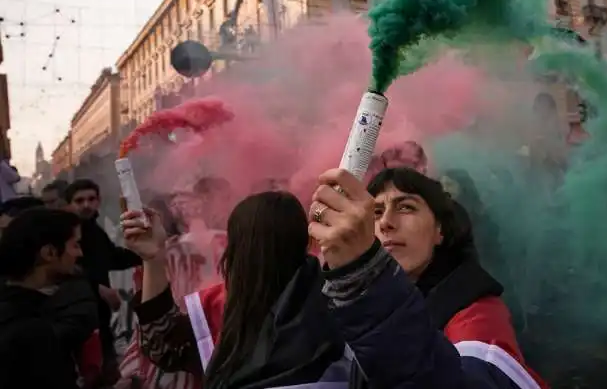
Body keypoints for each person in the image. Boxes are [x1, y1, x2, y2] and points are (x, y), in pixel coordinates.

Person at [310, 166, 548, 389]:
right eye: (377, 212)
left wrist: (363, 280)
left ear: (439, 231)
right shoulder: (340, 307)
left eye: (406, 207)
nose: (385, 223)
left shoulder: (477, 316)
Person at [121, 191, 349, 389]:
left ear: (237, 251)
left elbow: (163, 344)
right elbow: (166, 343)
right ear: (305, 242)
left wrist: (153, 259)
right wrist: (152, 257)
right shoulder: (342, 298)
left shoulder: (220, 306)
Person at [66, 178, 142, 385]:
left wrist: (145, 253)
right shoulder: (66, 232)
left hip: (99, 314)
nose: (86, 205)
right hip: (81, 317)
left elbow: (110, 258)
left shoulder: (94, 230)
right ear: (69, 204)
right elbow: (66, 271)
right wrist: (99, 288)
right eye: (79, 200)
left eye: (91, 199)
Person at [0, 207, 84, 388]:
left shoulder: (17, 310)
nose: (79, 253)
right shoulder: (30, 330)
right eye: (75, 245)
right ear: (49, 253)